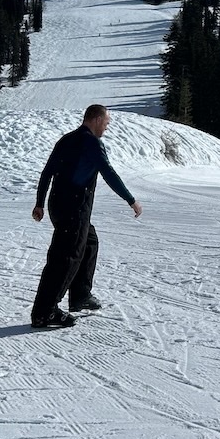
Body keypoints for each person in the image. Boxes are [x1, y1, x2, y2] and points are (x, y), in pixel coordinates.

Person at [30, 104, 142, 329]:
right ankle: (45, 311)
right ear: (97, 119)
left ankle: (80, 295)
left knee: (89, 241)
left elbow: (47, 172)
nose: (107, 127)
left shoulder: (66, 139)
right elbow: (108, 172)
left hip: (58, 205)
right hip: (74, 207)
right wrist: (131, 200)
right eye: (107, 122)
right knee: (65, 258)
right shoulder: (91, 142)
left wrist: (40, 203)